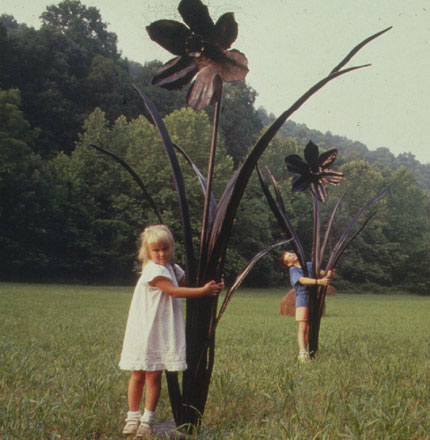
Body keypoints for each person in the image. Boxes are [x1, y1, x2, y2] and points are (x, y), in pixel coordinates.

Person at [119, 225, 223, 437]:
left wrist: (210, 284)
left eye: (165, 248)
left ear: (171, 248)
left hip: (159, 331)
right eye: (156, 250)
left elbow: (187, 282)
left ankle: (147, 419)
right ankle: (132, 417)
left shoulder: (172, 268)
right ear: (147, 252)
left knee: (154, 375)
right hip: (144, 329)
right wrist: (203, 292)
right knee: (138, 374)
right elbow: (174, 292)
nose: (161, 253)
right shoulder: (153, 270)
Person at [281, 251, 333, 362]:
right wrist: (319, 281)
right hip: (302, 300)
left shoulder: (309, 265)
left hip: (313, 300)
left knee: (310, 327)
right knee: (303, 327)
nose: (292, 254)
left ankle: (308, 351)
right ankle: (302, 353)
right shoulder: (293, 270)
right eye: (289, 256)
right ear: (289, 263)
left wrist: (330, 272)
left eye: (291, 253)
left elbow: (323, 274)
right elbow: (302, 280)